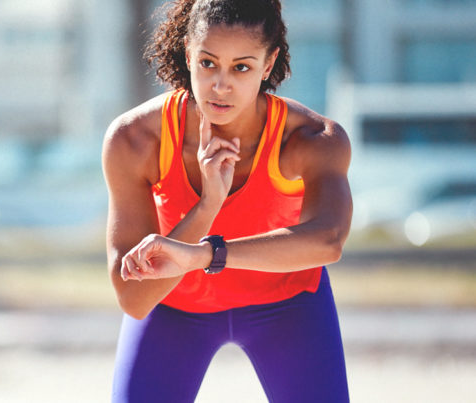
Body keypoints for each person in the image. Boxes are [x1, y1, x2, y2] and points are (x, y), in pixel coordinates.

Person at [101, 0, 352, 402]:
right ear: (188, 54)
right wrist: (207, 207)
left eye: (241, 67)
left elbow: (329, 241)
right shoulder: (136, 140)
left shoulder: (310, 139)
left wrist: (204, 255)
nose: (221, 85)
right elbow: (134, 298)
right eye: (208, 63)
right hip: (175, 308)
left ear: (268, 65)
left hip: (288, 307)